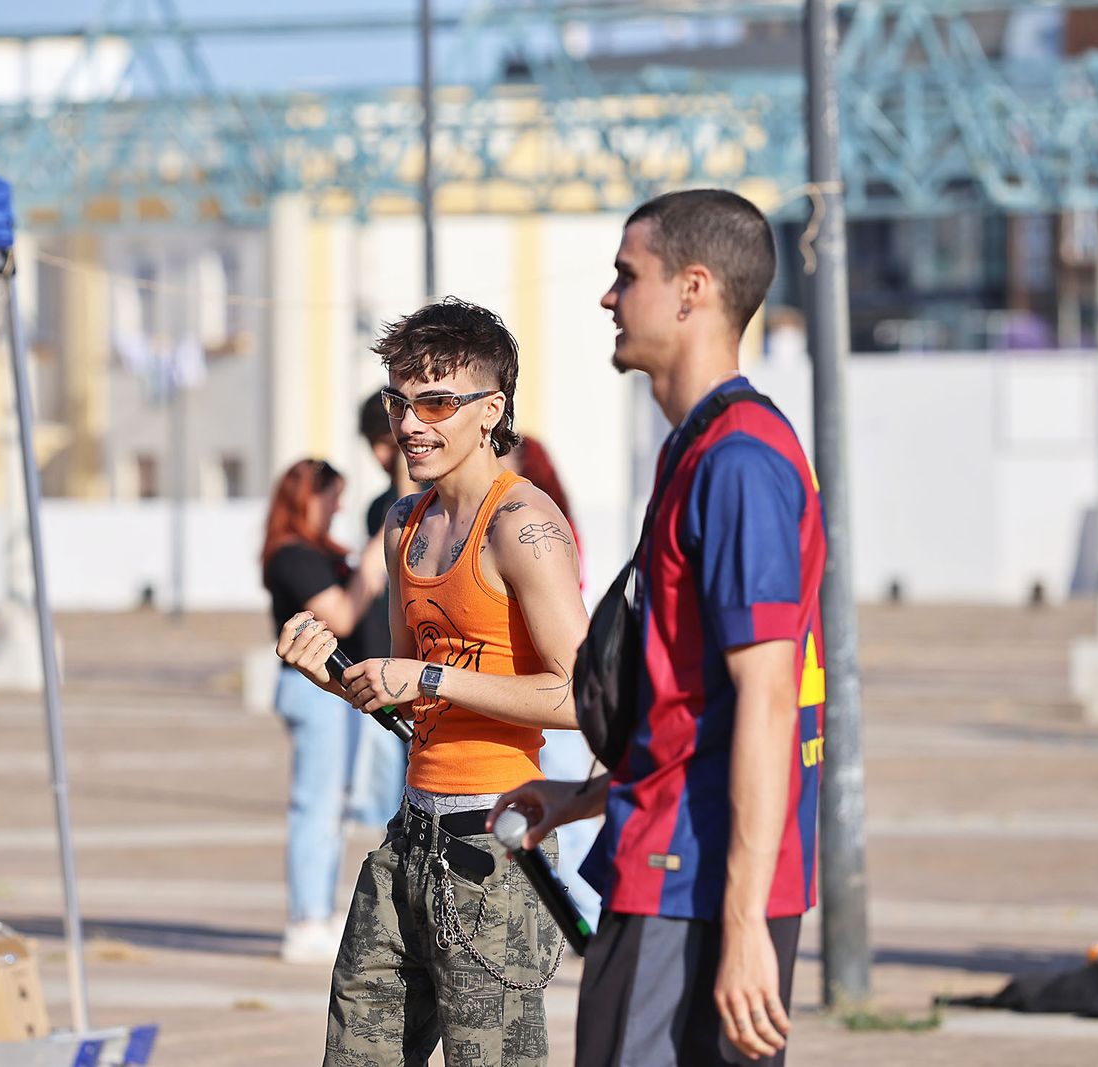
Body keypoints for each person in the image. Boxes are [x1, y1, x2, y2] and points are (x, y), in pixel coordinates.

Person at [492, 189, 827, 1067]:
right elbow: (696, 705)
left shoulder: (740, 461)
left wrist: (745, 921)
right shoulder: (696, 449)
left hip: (697, 883)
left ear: (694, 289)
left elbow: (766, 698)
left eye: (626, 275)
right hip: (672, 857)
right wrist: (584, 798)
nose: (609, 298)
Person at [277, 297, 589, 1066]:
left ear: (491, 411)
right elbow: (415, 709)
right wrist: (340, 676)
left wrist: (429, 673)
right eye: (399, 401)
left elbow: (583, 697)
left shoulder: (524, 525)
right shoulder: (401, 525)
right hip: (406, 843)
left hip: (493, 853)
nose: (409, 423)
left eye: (435, 402)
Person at [260, 458, 388, 963]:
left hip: (325, 689)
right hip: (309, 688)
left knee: (333, 803)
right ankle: (306, 919)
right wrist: (373, 563)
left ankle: (318, 911)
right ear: (307, 497)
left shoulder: (313, 551)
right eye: (332, 494)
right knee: (316, 803)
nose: (339, 505)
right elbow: (340, 613)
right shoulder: (292, 555)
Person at [503, 435, 602, 929]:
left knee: (571, 800)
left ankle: (588, 910)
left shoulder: (540, 527)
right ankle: (578, 909)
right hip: (544, 682)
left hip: (554, 681)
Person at [343, 391, 415, 829]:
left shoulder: (438, 497)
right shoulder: (379, 508)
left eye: (386, 442)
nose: (381, 455)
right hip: (380, 659)